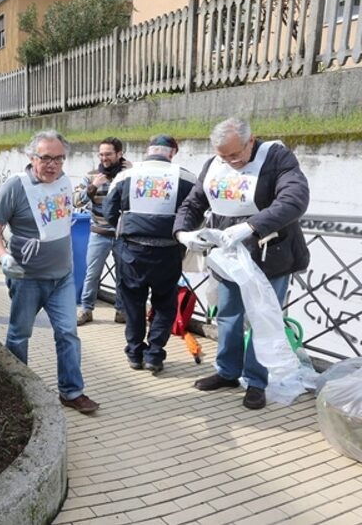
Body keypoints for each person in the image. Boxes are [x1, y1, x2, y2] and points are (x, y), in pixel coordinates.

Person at [174, 117, 310, 409]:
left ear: (251, 141)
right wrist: (184, 232)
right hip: (228, 257)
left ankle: (256, 381)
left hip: (268, 253)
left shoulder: (277, 157)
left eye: (235, 154)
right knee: (228, 315)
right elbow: (194, 202)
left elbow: (294, 199)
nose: (229, 162)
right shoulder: (215, 163)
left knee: (262, 318)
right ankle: (227, 371)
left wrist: (251, 227)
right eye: (223, 156)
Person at [0, 130, 99, 415]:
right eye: (46, 158)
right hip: (26, 277)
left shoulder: (62, 181)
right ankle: (18, 389)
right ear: (31, 157)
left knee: (68, 334)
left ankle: (71, 391)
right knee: (19, 334)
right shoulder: (16, 186)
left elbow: (65, 216)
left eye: (59, 158)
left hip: (62, 277)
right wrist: (3, 256)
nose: (53, 164)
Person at [103, 135, 197, 373]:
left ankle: (135, 353)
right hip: (168, 250)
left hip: (131, 250)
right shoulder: (186, 177)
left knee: (133, 302)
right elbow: (195, 214)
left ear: (147, 151)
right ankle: (155, 355)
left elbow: (109, 211)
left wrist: (126, 230)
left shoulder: (125, 176)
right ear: (172, 152)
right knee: (165, 304)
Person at [73, 137, 131, 326]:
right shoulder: (91, 176)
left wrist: (132, 173)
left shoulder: (131, 174)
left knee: (124, 275)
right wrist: (93, 187)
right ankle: (86, 310)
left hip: (123, 234)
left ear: (119, 154)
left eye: (108, 154)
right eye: (101, 154)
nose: (104, 158)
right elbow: (76, 201)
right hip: (99, 233)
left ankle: (121, 311)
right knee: (92, 274)